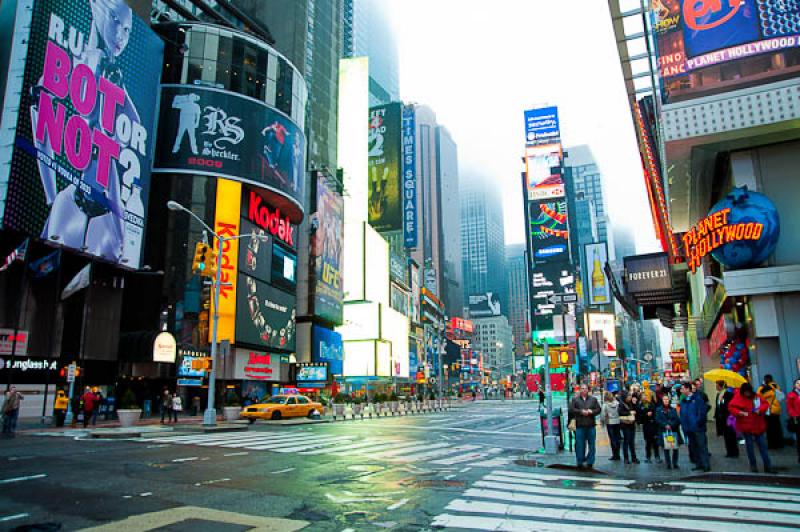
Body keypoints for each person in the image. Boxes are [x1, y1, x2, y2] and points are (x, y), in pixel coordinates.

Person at [729, 382, 777, 473]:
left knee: (762, 446)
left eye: (748, 392)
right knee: (750, 447)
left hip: (757, 425)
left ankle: (767, 466)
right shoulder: (738, 397)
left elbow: (765, 404)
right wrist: (740, 412)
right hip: (747, 426)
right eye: (746, 392)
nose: (747, 394)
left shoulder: (757, 396)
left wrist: (760, 410)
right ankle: (753, 465)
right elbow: (731, 407)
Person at [568, 383, 601, 469]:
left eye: (585, 388)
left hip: (591, 425)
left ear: (588, 390)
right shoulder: (575, 399)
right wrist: (581, 411)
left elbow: (598, 409)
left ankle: (590, 461)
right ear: (580, 390)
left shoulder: (593, 399)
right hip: (580, 426)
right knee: (580, 445)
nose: (584, 390)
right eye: (582, 388)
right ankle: (580, 461)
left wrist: (591, 412)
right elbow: (571, 409)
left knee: (592, 445)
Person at [680, 382, 710, 472]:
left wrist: (698, 422)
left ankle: (705, 465)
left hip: (698, 428)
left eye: (683, 388)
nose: (682, 390)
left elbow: (702, 413)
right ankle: (698, 464)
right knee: (694, 447)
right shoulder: (684, 401)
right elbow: (682, 414)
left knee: (702, 446)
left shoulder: (697, 399)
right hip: (688, 428)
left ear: (688, 389)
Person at [655, 393, 683, 469]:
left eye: (667, 399)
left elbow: (677, 420)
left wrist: (670, 425)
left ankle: (675, 463)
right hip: (664, 431)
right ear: (662, 400)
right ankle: (668, 463)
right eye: (664, 399)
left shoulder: (673, 409)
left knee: (675, 448)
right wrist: (665, 425)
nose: (666, 401)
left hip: (673, 431)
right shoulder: (658, 410)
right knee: (666, 448)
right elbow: (657, 420)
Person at [758, 375, 785, 449]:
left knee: (770, 429)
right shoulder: (776, 386)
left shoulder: (763, 388)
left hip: (768, 410)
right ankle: (779, 443)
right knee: (777, 427)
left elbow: (758, 396)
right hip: (776, 409)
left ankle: (772, 444)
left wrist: (762, 387)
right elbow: (780, 397)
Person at [714, 380, 739, 458]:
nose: (716, 386)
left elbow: (730, 406)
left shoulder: (729, 394)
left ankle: (734, 451)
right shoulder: (718, 395)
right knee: (726, 435)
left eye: (717, 385)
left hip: (728, 418)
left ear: (721, 386)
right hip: (721, 419)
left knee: (731, 435)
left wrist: (723, 402)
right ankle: (729, 451)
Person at [635, 392, 660, 463]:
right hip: (646, 425)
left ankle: (657, 456)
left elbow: (655, 412)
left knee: (655, 442)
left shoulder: (651, 404)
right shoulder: (639, 406)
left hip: (653, 425)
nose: (645, 397)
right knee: (648, 442)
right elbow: (639, 418)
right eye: (643, 396)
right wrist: (646, 414)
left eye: (645, 396)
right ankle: (648, 457)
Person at [619, 392, 640, 464]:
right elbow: (620, 412)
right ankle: (626, 458)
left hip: (632, 424)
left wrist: (635, 404)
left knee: (632, 442)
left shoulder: (631, 403)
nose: (630, 397)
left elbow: (637, 410)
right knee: (626, 441)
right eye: (628, 396)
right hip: (625, 425)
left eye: (630, 396)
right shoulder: (621, 404)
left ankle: (634, 458)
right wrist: (629, 412)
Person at [601, 391, 622, 461]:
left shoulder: (605, 405)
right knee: (617, 438)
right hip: (617, 421)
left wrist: (602, 423)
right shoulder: (617, 403)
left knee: (612, 439)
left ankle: (614, 454)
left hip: (610, 422)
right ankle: (618, 454)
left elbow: (603, 415)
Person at [786, 378, 800, 463]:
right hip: (798, 418)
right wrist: (795, 415)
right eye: (798, 383)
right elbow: (789, 408)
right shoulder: (791, 395)